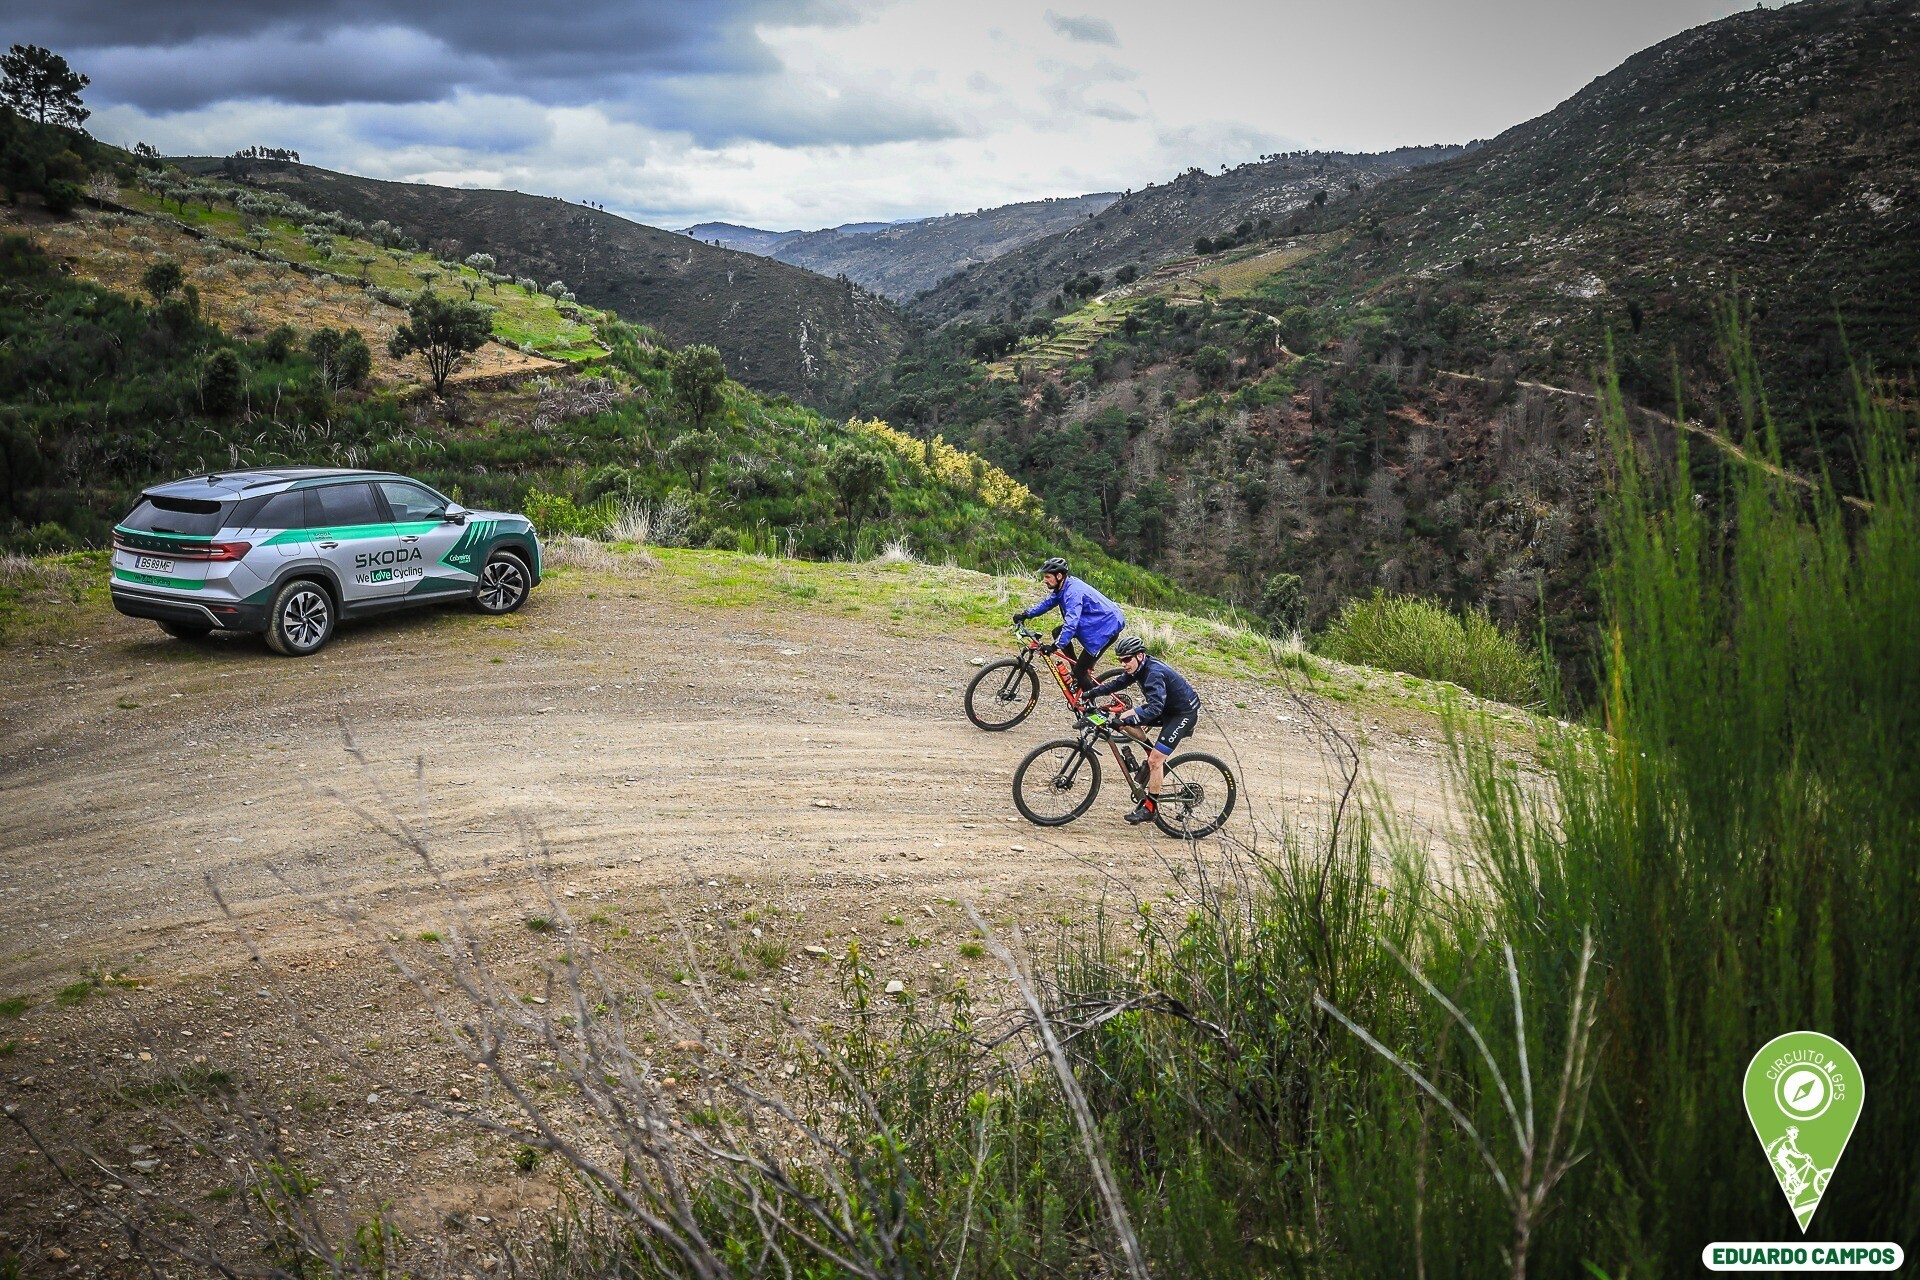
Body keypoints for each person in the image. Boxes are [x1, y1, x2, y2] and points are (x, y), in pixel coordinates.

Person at [1084, 636, 1202, 824]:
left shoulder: (1153, 673)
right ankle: (1149, 752)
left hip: (1182, 713)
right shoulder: (1139, 667)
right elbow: (1117, 684)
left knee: (1155, 760)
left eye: (1126, 659)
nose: (1123, 664)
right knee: (1124, 717)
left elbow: (1154, 709)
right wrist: (1090, 693)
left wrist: (1125, 722)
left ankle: (1150, 809)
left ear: (1139, 656)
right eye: (1120, 660)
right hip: (1166, 707)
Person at [1013, 557, 1125, 694]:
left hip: (1106, 629)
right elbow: (1047, 603)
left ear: (1059, 576)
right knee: (1057, 632)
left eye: (1047, 577)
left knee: (1080, 671)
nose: (1044, 580)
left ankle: (1091, 702)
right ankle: (1076, 672)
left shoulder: (1073, 593)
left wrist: (1054, 647)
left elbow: (1071, 624)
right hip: (1095, 624)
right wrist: (1026, 614)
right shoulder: (1063, 587)